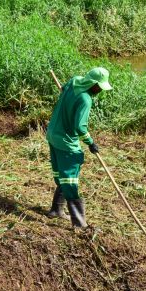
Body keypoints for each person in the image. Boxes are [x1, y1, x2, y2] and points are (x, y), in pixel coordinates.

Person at [46, 67, 112, 228]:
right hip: (66, 142)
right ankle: (79, 222)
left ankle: (56, 210)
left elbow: (63, 89)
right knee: (70, 179)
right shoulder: (85, 99)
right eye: (99, 87)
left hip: (52, 135)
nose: (100, 90)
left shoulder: (73, 81)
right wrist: (91, 143)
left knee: (61, 175)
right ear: (93, 83)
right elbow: (80, 127)